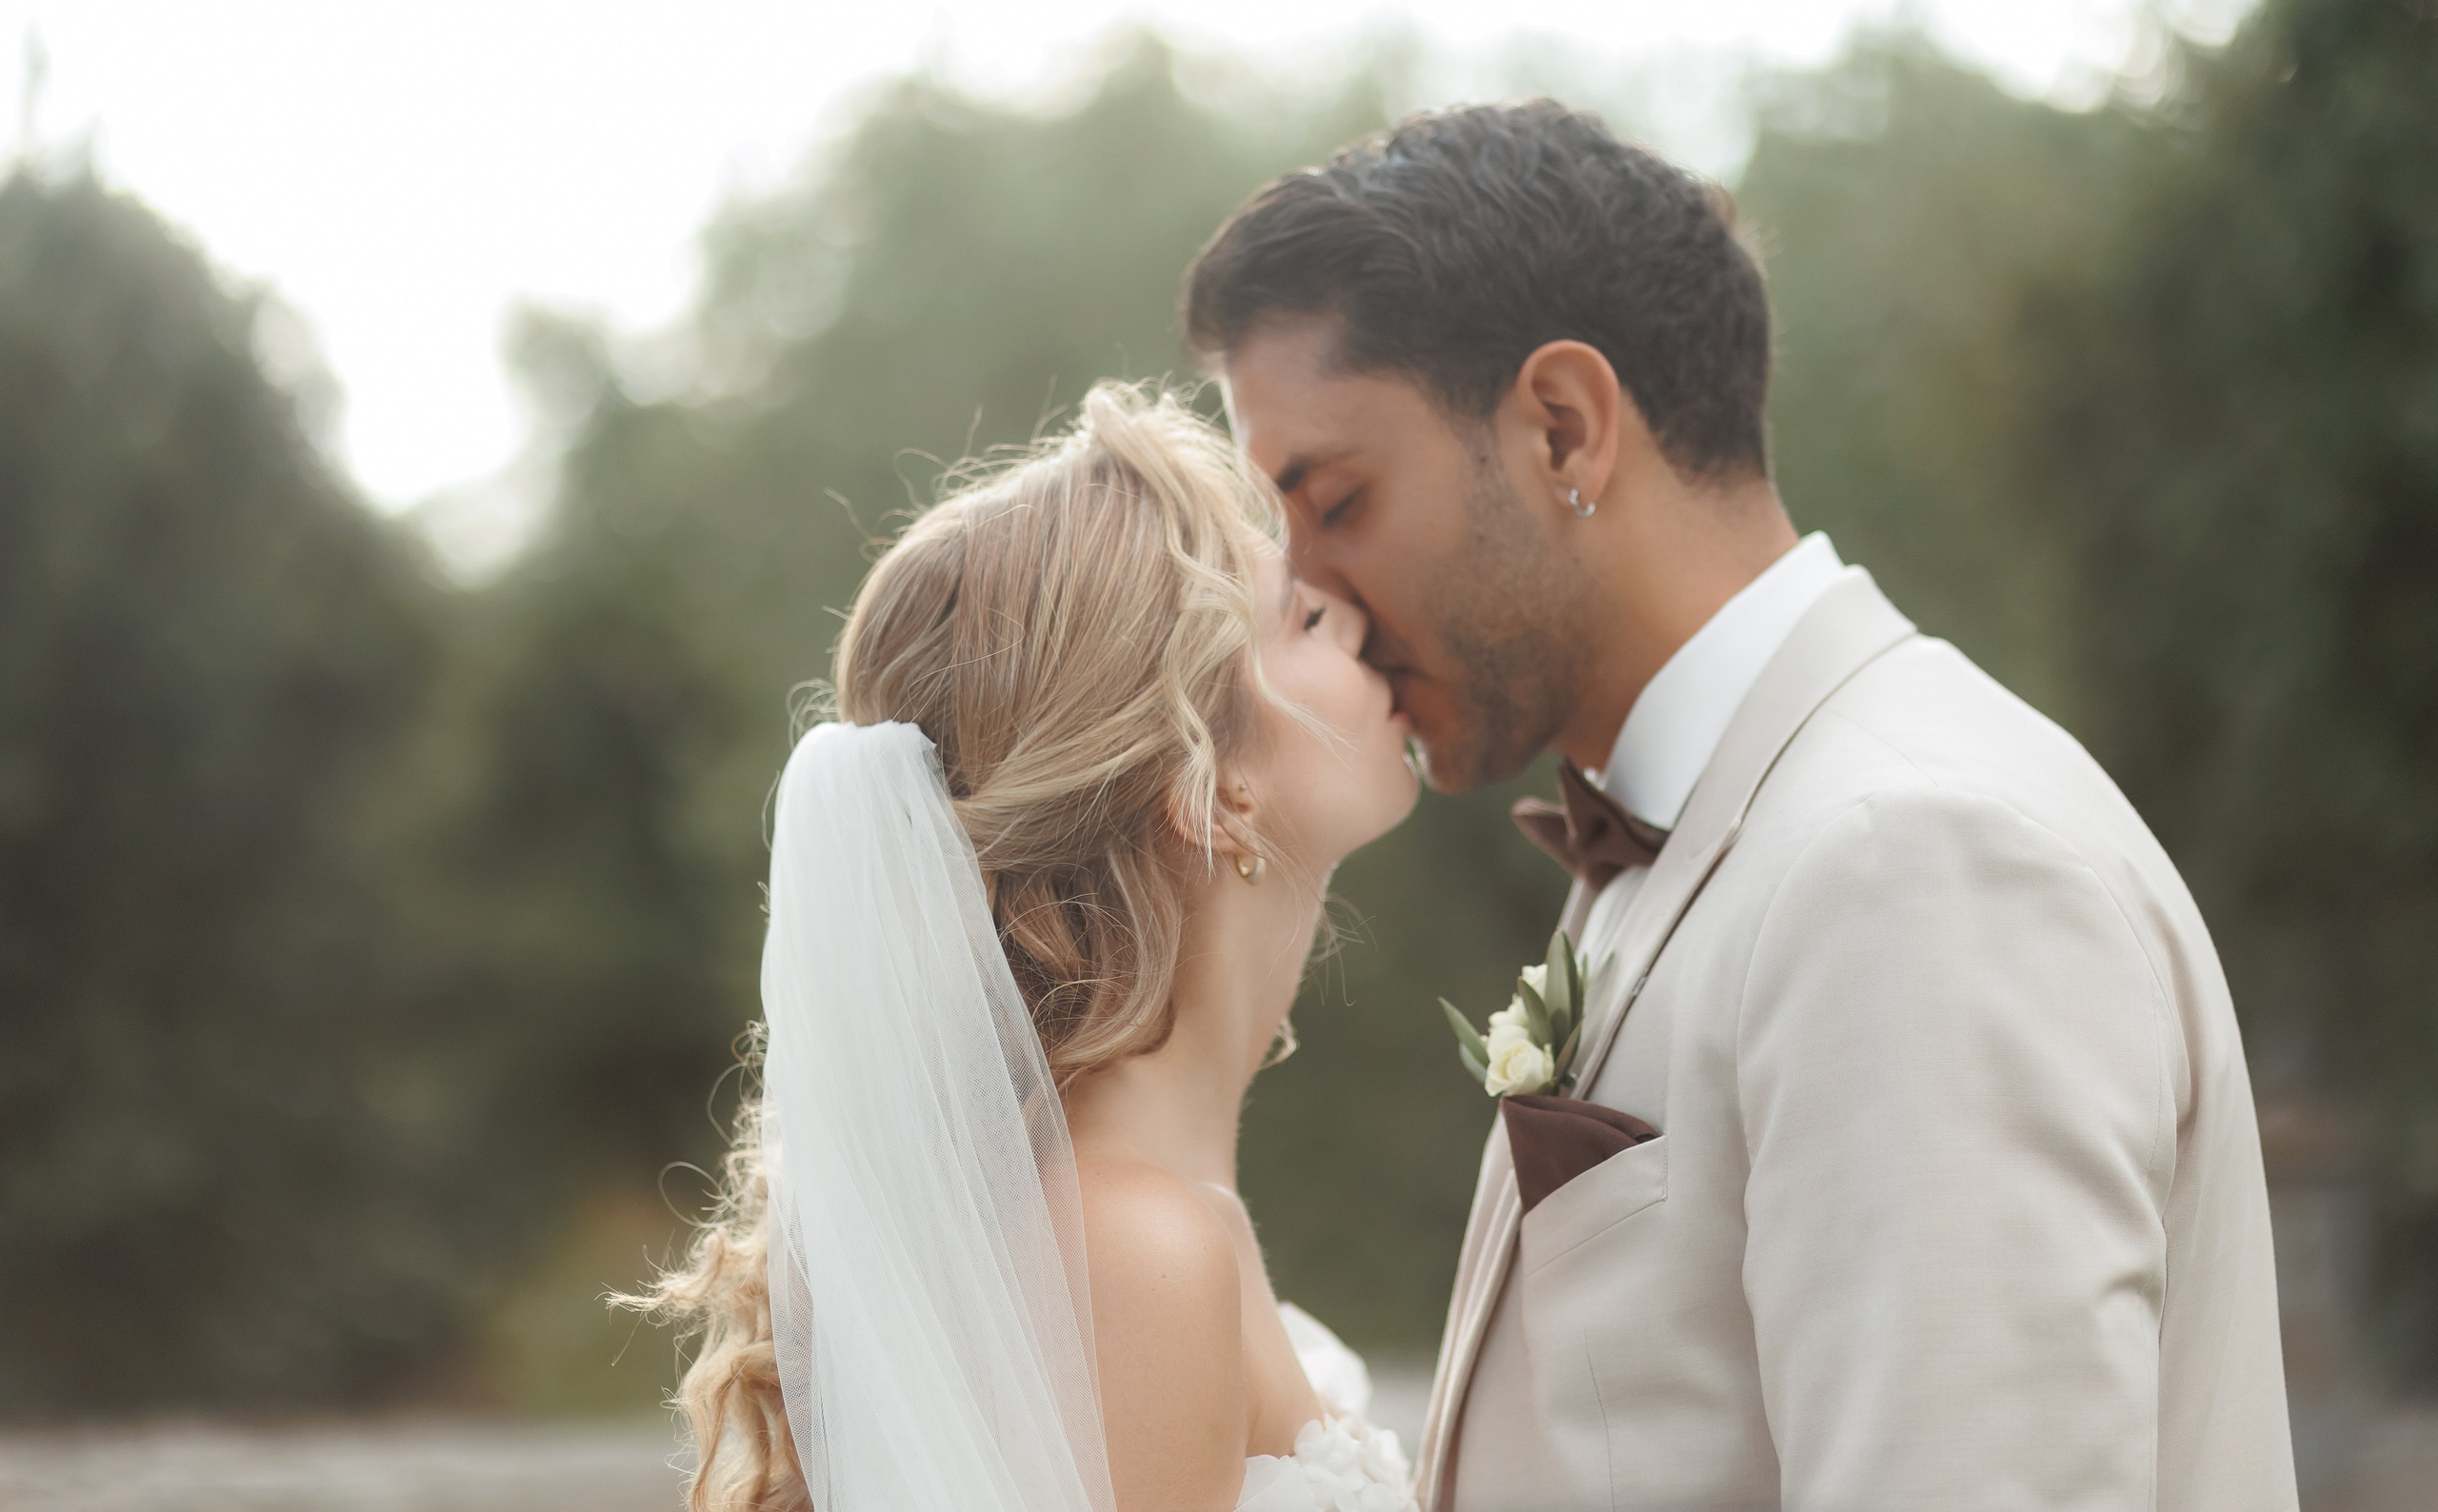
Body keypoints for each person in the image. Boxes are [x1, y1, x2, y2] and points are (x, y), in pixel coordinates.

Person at [1182, 100, 2298, 1512]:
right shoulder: (1713, 832)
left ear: (1564, 428)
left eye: (1335, 498)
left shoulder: (1916, 859)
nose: (1309, 590)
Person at [628, 387, 1423, 1511]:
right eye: (1300, 620)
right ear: (1211, 790)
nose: (1358, 620)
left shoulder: (1152, 1220)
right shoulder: (1132, 1251)